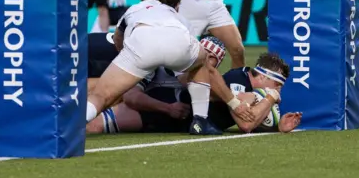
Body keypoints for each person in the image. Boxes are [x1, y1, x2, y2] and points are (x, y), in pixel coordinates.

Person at [0, 34, 231, 133]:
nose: (207, 74)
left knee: (37, 90)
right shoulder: (173, 58)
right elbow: (129, 94)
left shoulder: (179, 57)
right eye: (209, 66)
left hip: (100, 54)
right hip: (95, 55)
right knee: (37, 89)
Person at [86, 0, 253, 135]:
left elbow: (118, 39)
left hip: (138, 46)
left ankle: (73, 125)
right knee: (201, 64)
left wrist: (127, 58)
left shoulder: (135, 8)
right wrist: (234, 103)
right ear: (177, 5)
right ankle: (200, 121)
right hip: (173, 46)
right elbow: (132, 97)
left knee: (101, 96)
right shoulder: (179, 19)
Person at [87, 52, 302, 135]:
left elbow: (253, 121)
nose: (278, 89)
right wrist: (270, 99)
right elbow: (246, 124)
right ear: (263, 76)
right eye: (277, 83)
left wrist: (278, 126)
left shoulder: (252, 89)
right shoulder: (239, 79)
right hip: (166, 107)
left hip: (178, 122)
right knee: (94, 125)